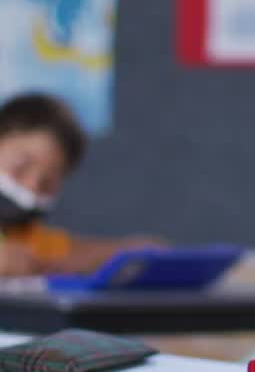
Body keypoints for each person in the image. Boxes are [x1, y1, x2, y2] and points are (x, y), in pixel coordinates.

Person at [0, 93, 159, 277]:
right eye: (20, 167)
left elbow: (72, 253)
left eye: (47, 184)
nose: (31, 188)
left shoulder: (24, 236)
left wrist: (132, 249)